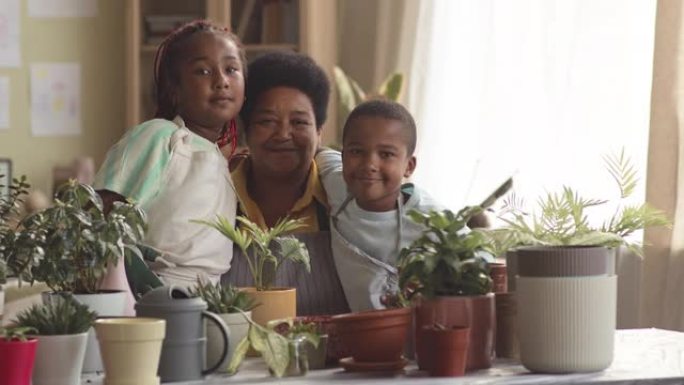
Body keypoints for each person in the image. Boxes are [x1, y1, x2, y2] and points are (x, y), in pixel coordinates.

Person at [93, 20, 246, 299]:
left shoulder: (221, 159)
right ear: (174, 89)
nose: (221, 80)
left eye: (231, 69)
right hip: (151, 295)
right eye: (203, 71)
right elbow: (101, 211)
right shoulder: (160, 137)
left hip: (210, 298)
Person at [222, 51, 350, 316]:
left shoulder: (341, 200)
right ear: (246, 130)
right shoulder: (217, 196)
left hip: (331, 357)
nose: (282, 134)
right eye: (267, 121)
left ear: (319, 132)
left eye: (299, 122)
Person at [316, 100, 444, 311]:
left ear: (408, 166)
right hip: (357, 334)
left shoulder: (429, 218)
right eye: (356, 152)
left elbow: (478, 259)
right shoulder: (337, 185)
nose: (369, 165)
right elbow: (318, 152)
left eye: (386, 154)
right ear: (343, 155)